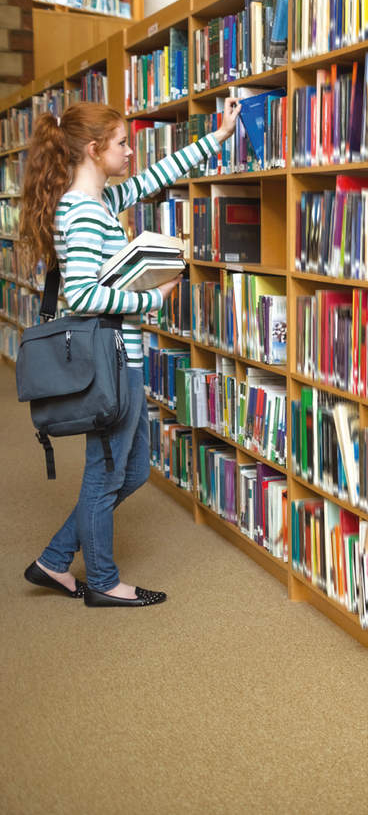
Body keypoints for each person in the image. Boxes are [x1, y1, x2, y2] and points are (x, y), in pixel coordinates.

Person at [19, 98, 241, 607]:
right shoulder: (84, 213)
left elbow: (157, 175)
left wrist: (219, 136)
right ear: (94, 150)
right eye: (122, 142)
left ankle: (55, 561)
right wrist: (151, 298)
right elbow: (82, 295)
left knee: (133, 468)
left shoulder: (98, 202)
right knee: (106, 472)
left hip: (123, 359)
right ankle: (101, 581)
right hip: (110, 364)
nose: (132, 150)